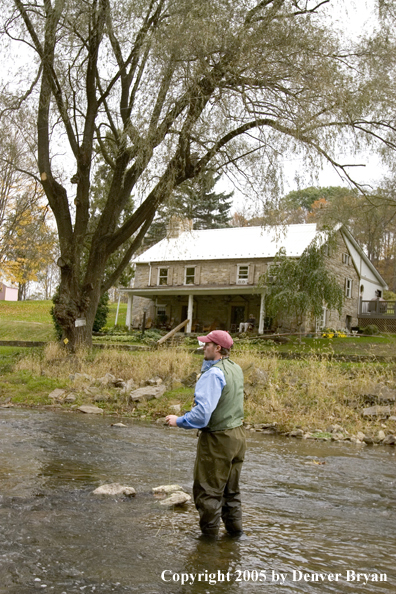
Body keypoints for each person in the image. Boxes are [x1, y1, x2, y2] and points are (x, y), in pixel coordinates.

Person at [166, 330, 246, 538]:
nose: (203, 347)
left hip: (218, 439)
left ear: (217, 348)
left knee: (208, 490)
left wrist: (179, 421)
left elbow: (202, 416)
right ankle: (235, 537)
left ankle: (208, 543)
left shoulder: (213, 374)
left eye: (207, 344)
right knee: (231, 490)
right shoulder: (235, 368)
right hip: (237, 436)